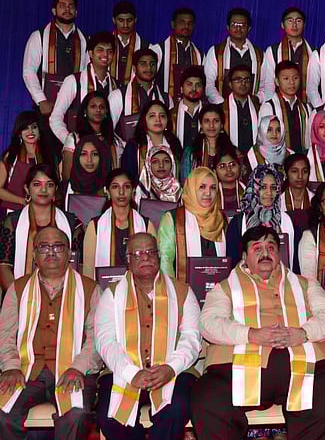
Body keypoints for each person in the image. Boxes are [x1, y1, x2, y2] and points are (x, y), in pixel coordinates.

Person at [191, 225, 325, 439]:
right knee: (207, 400)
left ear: (279, 254)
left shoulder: (305, 284)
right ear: (244, 257)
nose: (265, 253)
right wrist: (250, 334)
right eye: (257, 248)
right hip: (237, 369)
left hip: (302, 368)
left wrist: (303, 333)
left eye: (271, 247)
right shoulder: (225, 288)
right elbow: (208, 323)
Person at [94, 232, 199, 439]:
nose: (145, 257)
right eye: (138, 253)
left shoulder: (183, 292)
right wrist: (131, 372)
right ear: (128, 260)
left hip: (173, 370)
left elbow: (192, 338)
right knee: (109, 416)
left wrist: (171, 368)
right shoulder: (112, 295)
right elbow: (105, 341)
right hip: (124, 370)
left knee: (176, 408)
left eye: (151, 252)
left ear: (159, 257)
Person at [0, 226, 99, 440]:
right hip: (27, 370)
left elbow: (96, 340)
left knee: (77, 415)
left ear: (69, 252)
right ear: (34, 255)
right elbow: (5, 335)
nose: (51, 252)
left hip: (72, 369)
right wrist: (10, 366)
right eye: (44, 247)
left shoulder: (90, 289)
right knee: (2, 414)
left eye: (58, 246)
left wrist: (78, 368)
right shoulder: (18, 289)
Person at [0, 165, 83, 289]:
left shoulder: (72, 223)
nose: (43, 190)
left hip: (63, 295)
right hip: (19, 295)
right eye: (37, 184)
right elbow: (4, 266)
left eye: (49, 185)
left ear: (55, 189)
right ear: (27, 189)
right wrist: (17, 296)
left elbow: (78, 266)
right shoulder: (12, 222)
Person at [23, 0, 87, 119]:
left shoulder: (85, 39)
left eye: (71, 6)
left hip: (73, 107)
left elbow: (86, 74)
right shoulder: (39, 36)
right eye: (62, 5)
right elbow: (28, 71)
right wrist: (41, 100)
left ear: (76, 12)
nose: (67, 9)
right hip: (46, 106)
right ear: (54, 10)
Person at [82, 168, 155, 279]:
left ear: (133, 190)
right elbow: (88, 272)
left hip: (139, 291)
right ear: (107, 191)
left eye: (126, 186)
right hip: (104, 291)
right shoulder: (95, 226)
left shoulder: (146, 225)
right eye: (115, 187)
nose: (121, 192)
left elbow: (153, 267)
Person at [226, 164, 300, 271]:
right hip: (247, 285)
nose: (269, 193)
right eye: (263, 187)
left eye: (273, 188)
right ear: (254, 188)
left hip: (282, 284)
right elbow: (233, 265)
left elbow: (296, 266)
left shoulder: (289, 222)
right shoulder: (238, 223)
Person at [158, 167, 227, 281]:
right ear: (191, 188)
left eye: (213, 188)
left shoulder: (221, 219)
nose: (208, 193)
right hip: (182, 292)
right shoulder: (172, 218)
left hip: (218, 292)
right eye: (202, 187)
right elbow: (165, 262)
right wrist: (176, 292)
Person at [50, 32, 118, 145]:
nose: (105, 55)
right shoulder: (73, 81)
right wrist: (71, 142)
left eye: (109, 51)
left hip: (105, 148)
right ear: (90, 53)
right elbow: (55, 119)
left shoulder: (115, 85)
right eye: (100, 50)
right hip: (78, 151)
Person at [260, 7, 321, 106]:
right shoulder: (273, 51)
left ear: (304, 25)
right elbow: (269, 85)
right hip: (279, 105)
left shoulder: (314, 53)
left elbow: (315, 86)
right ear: (282, 25)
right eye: (290, 21)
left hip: (306, 106)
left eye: (298, 21)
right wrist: (270, 107)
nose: (294, 25)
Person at [0, 111, 57, 212]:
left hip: (42, 211)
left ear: (39, 131)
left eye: (34, 127)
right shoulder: (11, 156)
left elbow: (54, 187)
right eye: (25, 128)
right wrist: (22, 201)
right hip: (12, 212)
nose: (30, 131)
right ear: (19, 133)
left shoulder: (48, 156)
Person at [204, 8, 263, 104]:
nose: (238, 29)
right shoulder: (215, 52)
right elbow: (208, 84)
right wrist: (222, 104)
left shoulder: (259, 55)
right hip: (222, 109)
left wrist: (256, 100)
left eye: (242, 25)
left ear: (249, 28)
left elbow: (265, 86)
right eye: (234, 24)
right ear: (227, 27)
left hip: (250, 108)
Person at [109, 48, 171, 135]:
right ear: (134, 68)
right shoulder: (118, 96)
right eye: (143, 64)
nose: (149, 68)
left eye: (152, 64)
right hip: (125, 147)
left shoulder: (165, 98)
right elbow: (108, 130)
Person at [122, 100, 184, 182]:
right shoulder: (134, 146)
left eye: (162, 116)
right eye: (152, 116)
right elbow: (127, 178)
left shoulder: (174, 144)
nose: (158, 119)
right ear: (144, 120)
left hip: (171, 194)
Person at [258, 61, 313, 153]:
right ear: (277, 82)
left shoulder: (306, 108)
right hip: (277, 159)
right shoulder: (269, 107)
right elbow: (264, 139)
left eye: (295, 78)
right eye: (286, 78)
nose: (291, 82)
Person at [149, 8, 203, 98]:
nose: (186, 26)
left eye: (190, 23)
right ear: (173, 24)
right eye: (182, 22)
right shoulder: (158, 50)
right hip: (164, 106)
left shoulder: (199, 54)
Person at [181, 104, 236, 182]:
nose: (211, 125)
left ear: (221, 125)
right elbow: (185, 184)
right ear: (201, 125)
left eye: (216, 121)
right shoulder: (190, 153)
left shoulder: (232, 152)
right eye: (207, 121)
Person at [221, 64, 261, 152]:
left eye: (247, 80)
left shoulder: (259, 107)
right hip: (230, 157)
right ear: (230, 84)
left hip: (255, 156)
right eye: (238, 80)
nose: (243, 83)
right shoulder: (221, 109)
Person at [108, 1, 148, 85]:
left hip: (135, 94)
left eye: (129, 20)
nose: (125, 25)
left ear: (135, 20)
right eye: (121, 20)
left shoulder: (146, 47)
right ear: (113, 20)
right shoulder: (105, 43)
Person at [65, 134, 113, 203]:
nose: (89, 160)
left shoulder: (111, 187)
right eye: (84, 154)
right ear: (77, 157)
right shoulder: (64, 188)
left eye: (94, 154)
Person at [167, 66, 204, 150]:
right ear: (181, 88)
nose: (194, 89)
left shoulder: (211, 115)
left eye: (198, 85)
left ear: (203, 89)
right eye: (189, 84)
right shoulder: (170, 115)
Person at [214, 146, 245, 216]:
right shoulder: (211, 193)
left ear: (239, 167)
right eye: (222, 166)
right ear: (215, 171)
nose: (228, 169)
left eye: (232, 164)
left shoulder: (248, 191)